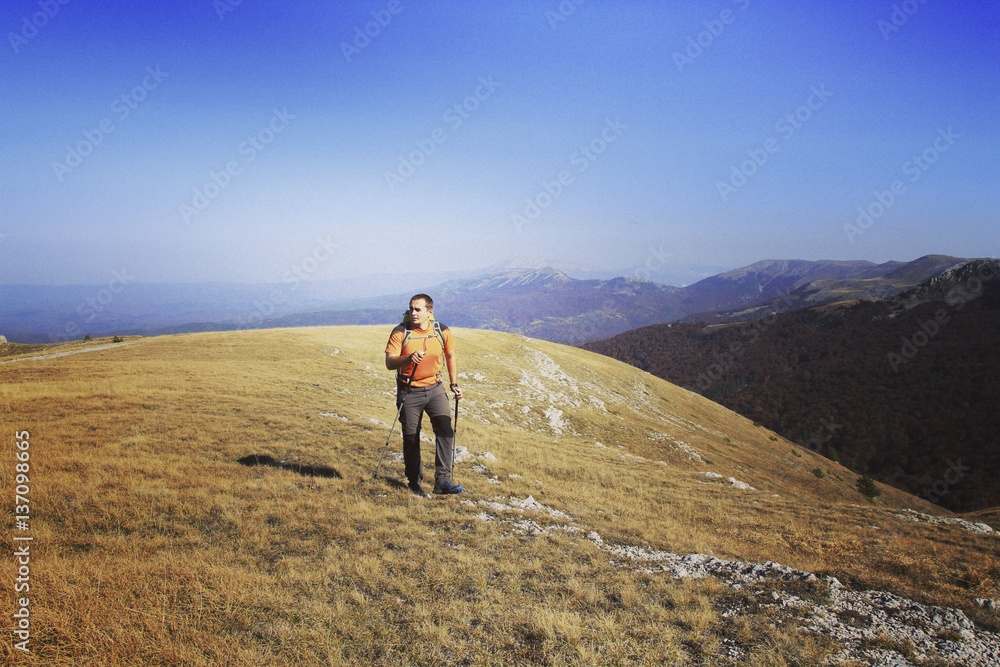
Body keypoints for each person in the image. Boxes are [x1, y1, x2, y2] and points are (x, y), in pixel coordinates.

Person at [384, 294, 464, 497]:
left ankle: (443, 482)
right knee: (411, 437)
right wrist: (409, 358)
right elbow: (389, 363)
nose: (413, 313)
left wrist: (454, 383)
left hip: (435, 388)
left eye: (418, 309)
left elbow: (450, 355)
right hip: (409, 390)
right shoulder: (401, 332)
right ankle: (414, 481)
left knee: (445, 429)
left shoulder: (441, 330)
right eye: (411, 308)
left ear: (430, 311)